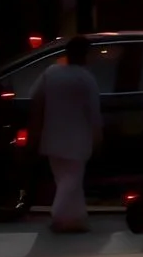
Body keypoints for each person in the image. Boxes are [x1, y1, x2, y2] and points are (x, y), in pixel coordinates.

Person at [38, 35, 105, 233]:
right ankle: (60, 214)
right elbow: (94, 113)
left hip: (51, 136)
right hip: (77, 139)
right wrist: (97, 136)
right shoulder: (85, 79)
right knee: (71, 180)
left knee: (64, 179)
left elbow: (37, 98)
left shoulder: (51, 73)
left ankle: (74, 218)